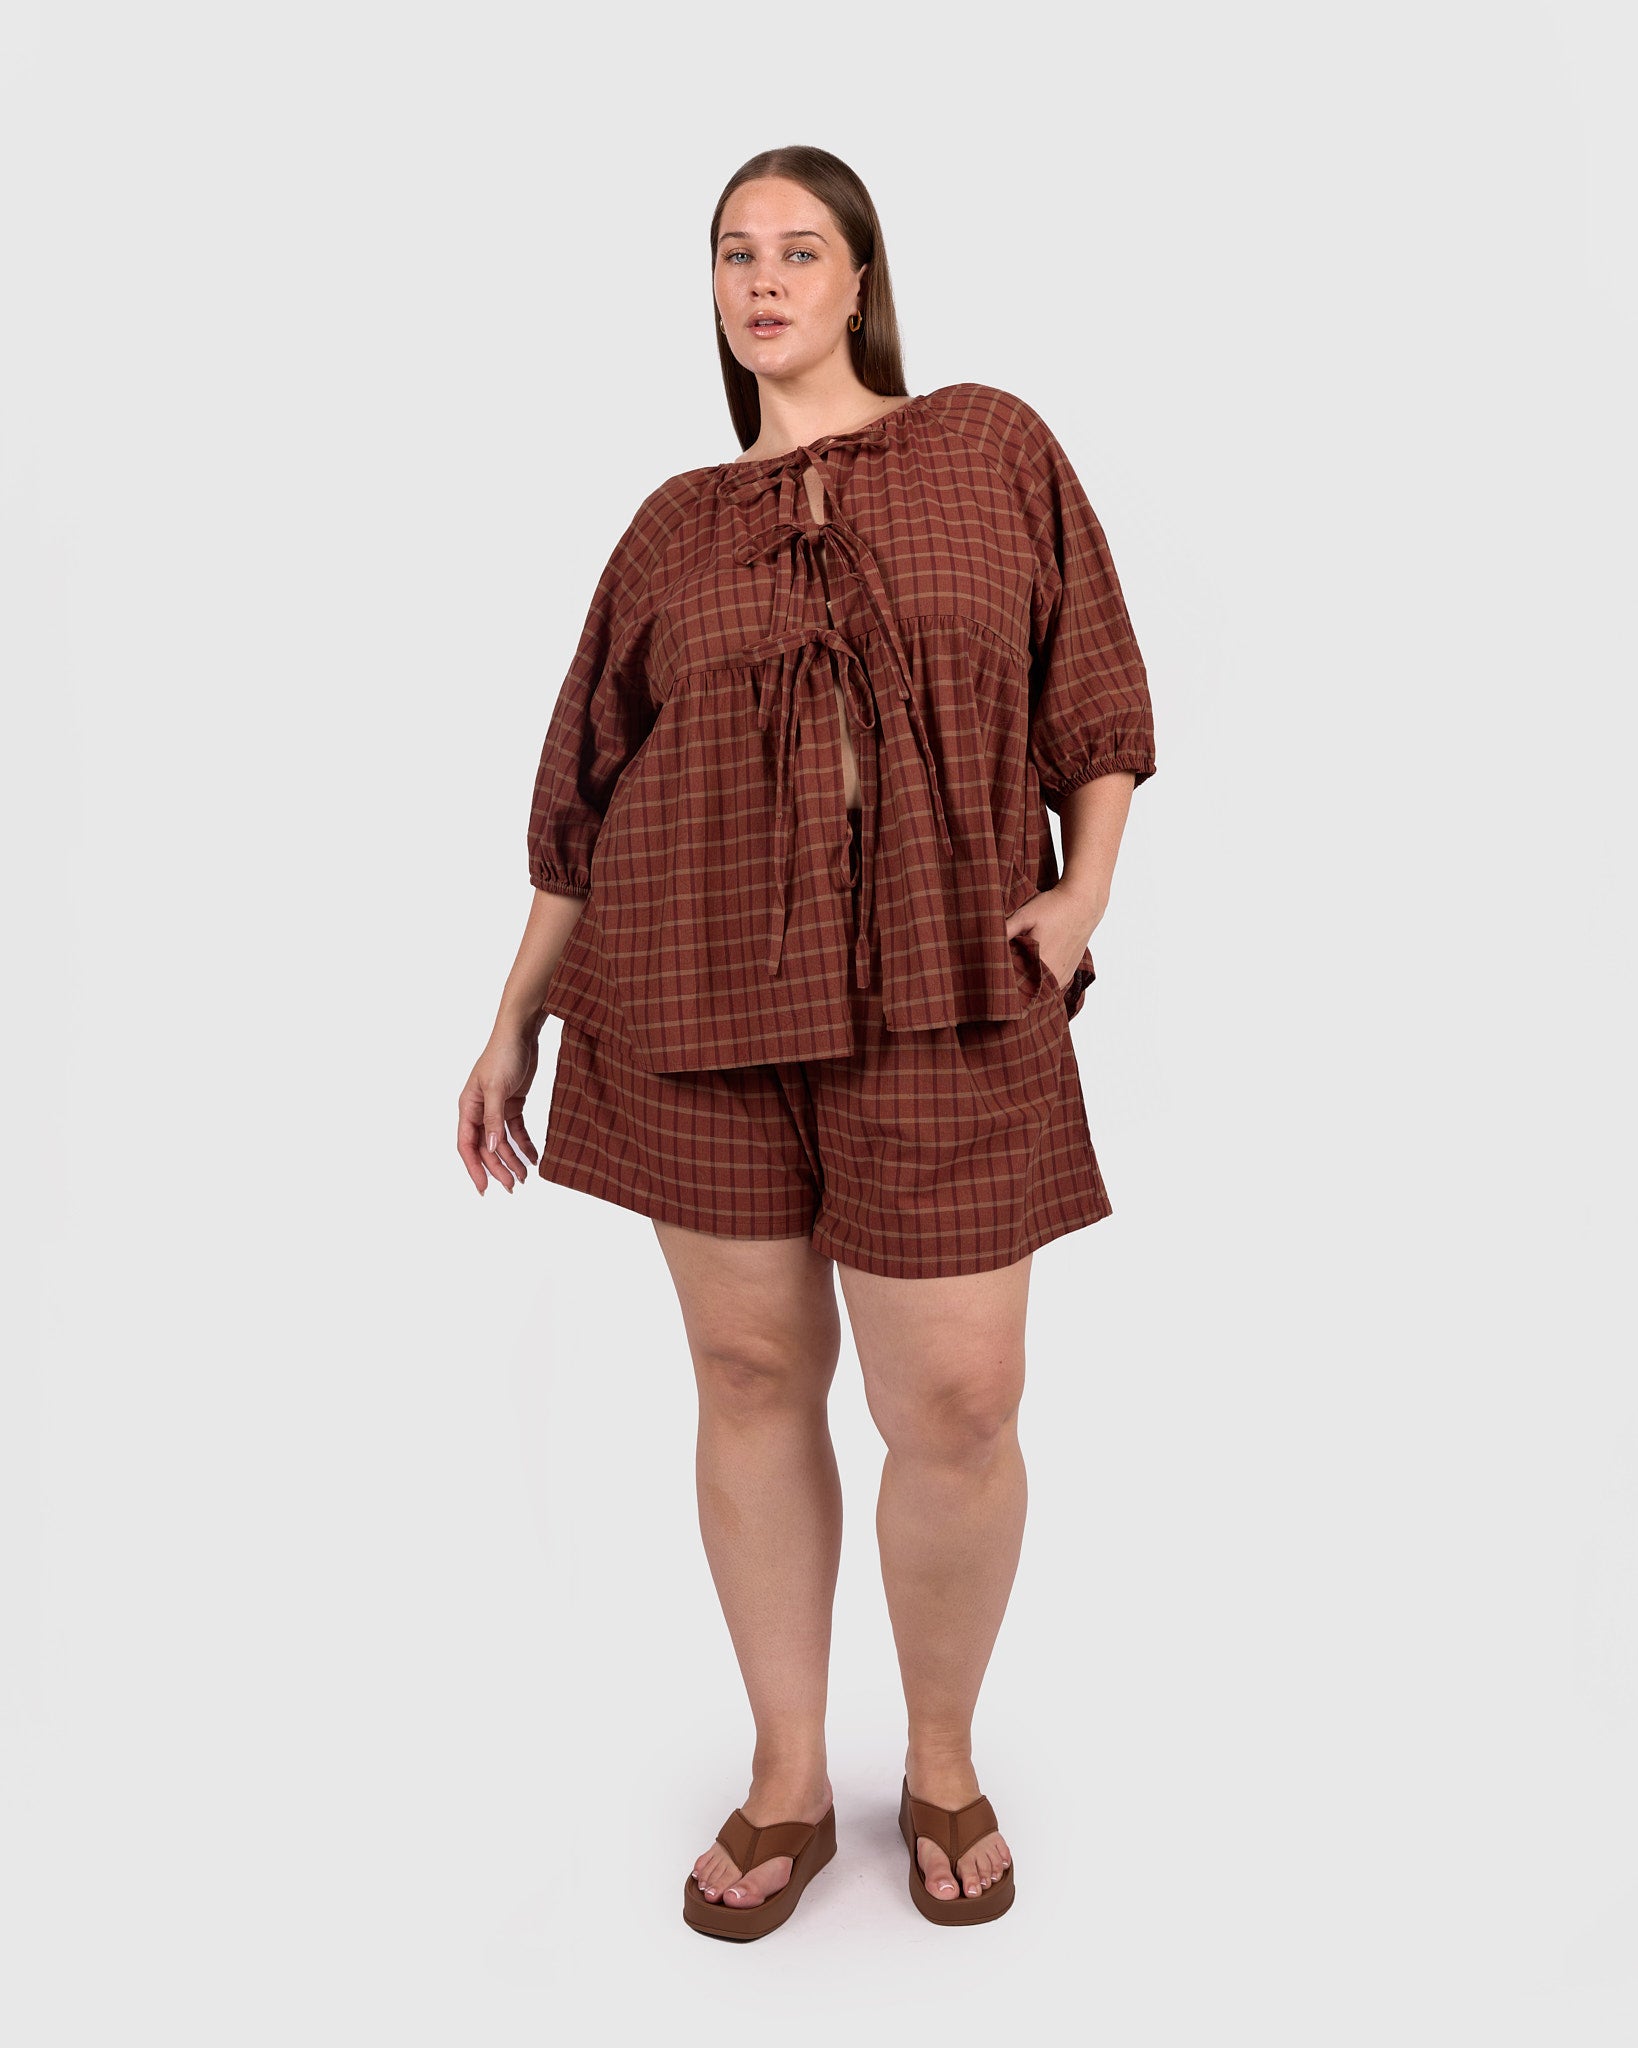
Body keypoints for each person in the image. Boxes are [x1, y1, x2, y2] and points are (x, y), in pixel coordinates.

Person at [457, 144, 1157, 1939]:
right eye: (730, 254)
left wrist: (1082, 890)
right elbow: (581, 801)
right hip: (691, 1000)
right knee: (751, 1374)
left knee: (958, 1400)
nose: (761, 280)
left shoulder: (989, 445)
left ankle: (939, 1759)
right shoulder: (670, 525)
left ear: (860, 281)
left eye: (797, 250)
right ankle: (786, 1778)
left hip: (946, 988)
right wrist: (511, 1018)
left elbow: (1090, 688)